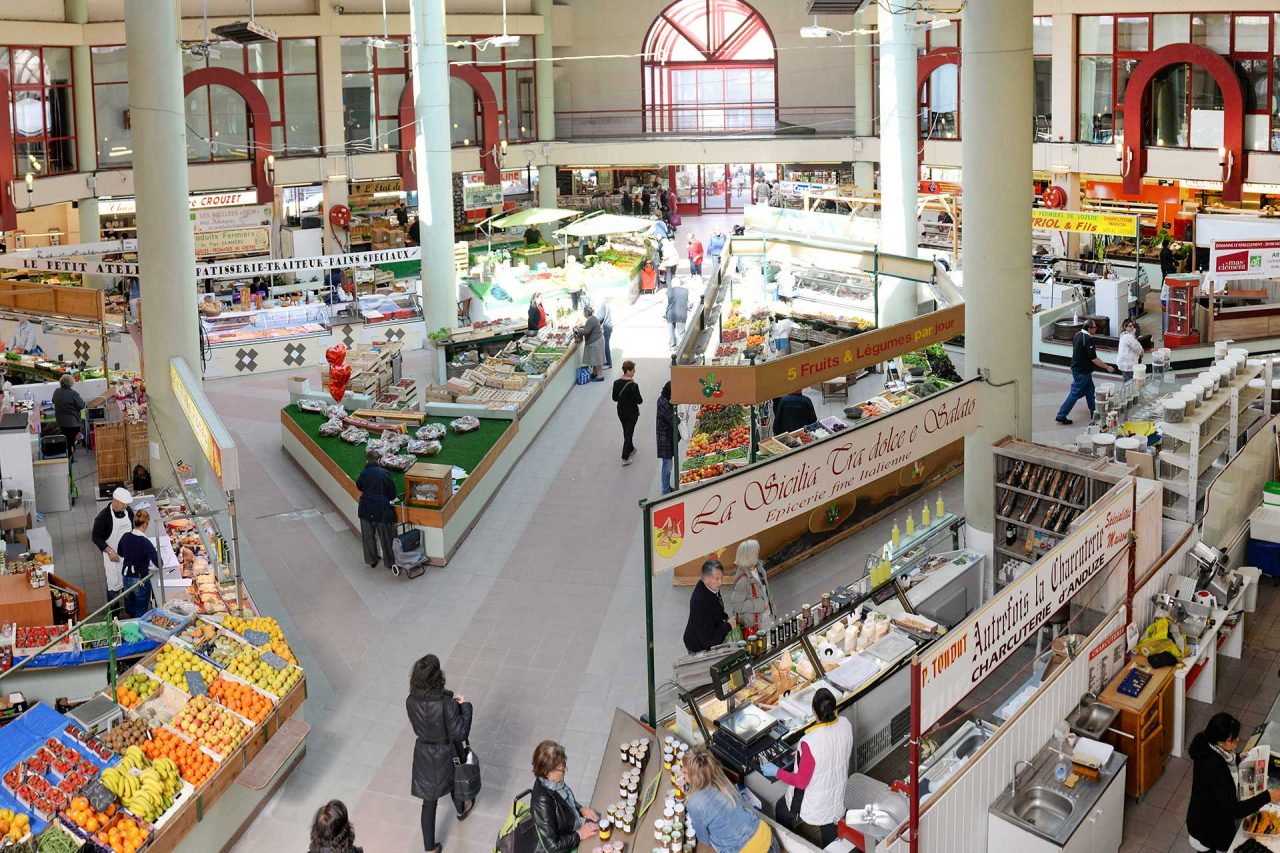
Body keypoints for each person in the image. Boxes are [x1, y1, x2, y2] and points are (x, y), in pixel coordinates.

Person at [760, 688, 852, 846]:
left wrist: (776, 771)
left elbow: (801, 782)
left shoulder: (810, 741)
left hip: (815, 803)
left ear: (814, 712)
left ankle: (788, 845)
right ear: (834, 708)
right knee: (831, 829)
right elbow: (832, 748)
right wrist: (804, 757)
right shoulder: (845, 724)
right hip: (837, 794)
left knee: (782, 809)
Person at [407, 654, 474, 853]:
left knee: (429, 802)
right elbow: (461, 732)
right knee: (456, 782)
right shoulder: (446, 703)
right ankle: (462, 809)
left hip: (424, 754)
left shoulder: (410, 701)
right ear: (437, 676)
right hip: (448, 751)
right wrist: (465, 707)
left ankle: (430, 848)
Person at [1187, 712, 1280, 852]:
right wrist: (1268, 796)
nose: (1237, 740)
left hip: (1204, 817)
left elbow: (1225, 758)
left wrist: (1237, 758)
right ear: (1223, 741)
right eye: (1234, 739)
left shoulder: (1207, 746)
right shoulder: (1214, 768)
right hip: (1209, 828)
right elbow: (1234, 810)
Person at [684, 746, 776, 853]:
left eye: (684, 771)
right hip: (769, 840)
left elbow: (704, 840)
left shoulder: (694, 803)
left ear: (693, 776)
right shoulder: (723, 782)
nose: (683, 774)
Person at [531, 740, 599, 853]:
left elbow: (565, 803)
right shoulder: (542, 802)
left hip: (571, 834)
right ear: (548, 772)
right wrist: (579, 834)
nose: (565, 771)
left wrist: (581, 809)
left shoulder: (554, 783)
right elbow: (553, 846)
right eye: (562, 769)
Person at [1055, 318, 1120, 425]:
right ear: (1089, 328)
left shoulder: (1077, 334)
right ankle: (1061, 415)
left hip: (1078, 369)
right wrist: (1107, 367)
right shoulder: (1088, 339)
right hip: (1082, 371)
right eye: (1095, 327)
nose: (1096, 329)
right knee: (1075, 393)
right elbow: (1093, 358)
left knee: (1090, 391)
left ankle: (1094, 413)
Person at [92, 488, 134, 617]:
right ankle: (113, 615)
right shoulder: (103, 517)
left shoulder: (128, 512)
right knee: (114, 588)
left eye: (127, 504)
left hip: (127, 556)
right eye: (123, 503)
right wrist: (109, 551)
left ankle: (130, 613)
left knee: (129, 586)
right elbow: (96, 537)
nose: (126, 506)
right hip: (113, 558)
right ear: (115, 501)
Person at [356, 448, 397, 570]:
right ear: (379, 460)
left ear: (367, 460)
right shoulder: (385, 473)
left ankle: (371, 560)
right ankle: (389, 562)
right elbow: (392, 493)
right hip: (381, 508)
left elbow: (359, 486)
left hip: (365, 508)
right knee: (386, 536)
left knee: (368, 536)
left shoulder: (363, 473)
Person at [683, 559, 734, 653]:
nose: (721, 583)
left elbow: (716, 608)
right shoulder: (699, 602)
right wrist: (728, 625)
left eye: (721, 578)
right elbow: (708, 640)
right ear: (705, 578)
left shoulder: (711, 587)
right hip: (698, 648)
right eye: (717, 579)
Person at [116, 509, 158, 618]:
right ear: (145, 524)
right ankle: (140, 628)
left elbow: (120, 552)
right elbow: (159, 563)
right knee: (141, 611)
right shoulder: (145, 542)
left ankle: (131, 624)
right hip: (140, 580)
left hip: (126, 577)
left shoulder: (125, 536)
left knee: (130, 606)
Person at [727, 540, 773, 639]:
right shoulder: (743, 580)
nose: (758, 554)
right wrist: (760, 604)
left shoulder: (759, 569)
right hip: (754, 625)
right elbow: (736, 605)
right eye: (756, 552)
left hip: (764, 617)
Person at [611, 360, 643, 466]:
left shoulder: (616, 383)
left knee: (626, 430)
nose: (635, 372)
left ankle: (631, 448)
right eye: (633, 370)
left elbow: (614, 398)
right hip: (632, 413)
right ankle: (625, 457)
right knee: (629, 433)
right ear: (628, 371)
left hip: (620, 411)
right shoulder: (633, 386)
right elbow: (640, 401)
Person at [51, 374, 85, 457]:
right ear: (71, 383)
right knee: (71, 440)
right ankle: (70, 455)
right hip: (72, 423)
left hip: (60, 421)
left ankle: (67, 453)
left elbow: (53, 400)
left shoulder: (56, 391)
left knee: (66, 438)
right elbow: (81, 406)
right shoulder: (73, 394)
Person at [656, 381, 677, 495]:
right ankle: (665, 490)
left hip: (665, 438)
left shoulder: (663, 400)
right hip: (665, 439)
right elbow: (672, 420)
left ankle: (667, 487)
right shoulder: (664, 403)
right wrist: (679, 419)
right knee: (667, 465)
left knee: (667, 464)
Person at [576, 305, 605, 382]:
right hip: (597, 340)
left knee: (597, 359)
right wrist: (583, 326)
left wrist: (579, 331)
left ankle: (600, 376)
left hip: (595, 341)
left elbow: (587, 331)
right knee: (594, 359)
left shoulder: (590, 320)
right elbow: (589, 327)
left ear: (586, 313)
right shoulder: (593, 318)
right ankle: (595, 373)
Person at [666, 277, 690, 349]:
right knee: (681, 332)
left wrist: (663, 314)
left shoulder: (668, 292)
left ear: (672, 284)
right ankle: (681, 348)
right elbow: (690, 304)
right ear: (679, 284)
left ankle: (673, 345)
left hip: (671, 314)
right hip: (682, 314)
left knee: (671, 330)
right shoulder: (686, 291)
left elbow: (665, 304)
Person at [597, 297, 614, 370]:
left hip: (606, 327)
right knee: (605, 345)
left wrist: (594, 319)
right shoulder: (606, 304)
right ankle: (606, 362)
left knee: (606, 346)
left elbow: (600, 317)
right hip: (609, 326)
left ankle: (608, 363)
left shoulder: (602, 305)